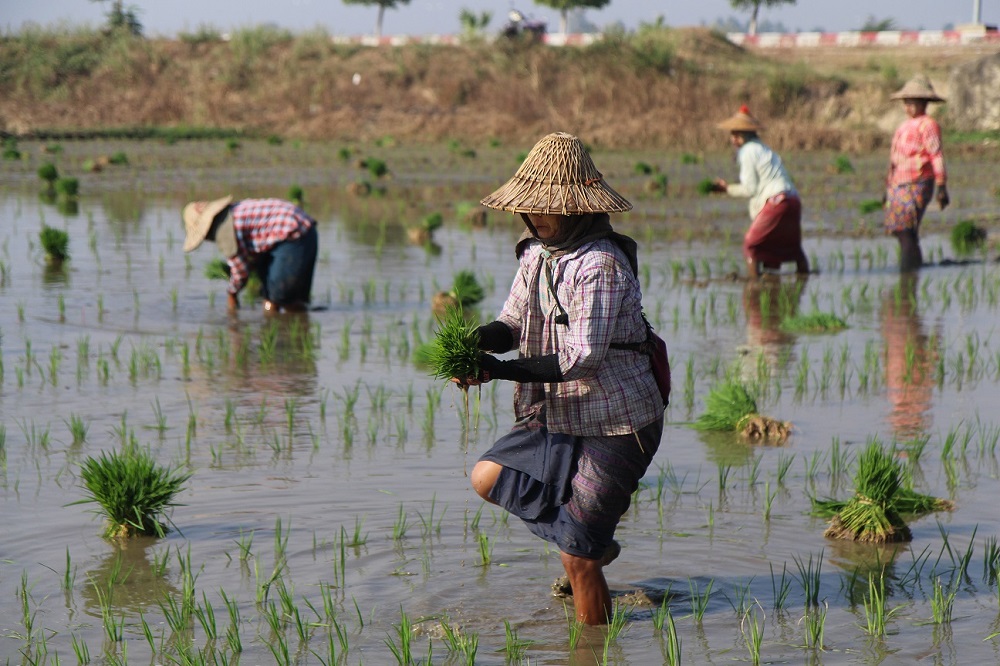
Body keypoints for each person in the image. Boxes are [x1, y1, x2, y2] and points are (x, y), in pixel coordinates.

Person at [456, 132, 665, 625]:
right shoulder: (535, 253)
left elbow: (581, 359)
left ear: (578, 208)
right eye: (530, 207)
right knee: (488, 476)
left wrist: (499, 372)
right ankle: (590, 540)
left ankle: (591, 625)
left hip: (617, 420)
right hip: (556, 411)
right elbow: (512, 322)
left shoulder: (601, 264)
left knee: (577, 560)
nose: (536, 217)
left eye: (548, 207)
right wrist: (478, 342)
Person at [710, 105, 809, 279]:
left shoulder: (747, 152)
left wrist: (726, 189)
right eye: (732, 134)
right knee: (793, 248)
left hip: (776, 202)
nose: (732, 139)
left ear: (742, 136)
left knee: (752, 245)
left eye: (735, 134)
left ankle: (753, 285)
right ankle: (803, 279)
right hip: (792, 201)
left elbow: (750, 189)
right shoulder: (763, 149)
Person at [182, 196, 318, 313]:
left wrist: (232, 293)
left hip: (294, 234)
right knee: (283, 297)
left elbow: (240, 270)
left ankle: (279, 326)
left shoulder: (225, 230)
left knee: (278, 297)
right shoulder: (231, 212)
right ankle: (301, 323)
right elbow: (252, 255)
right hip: (303, 230)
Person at [884, 74, 949, 272]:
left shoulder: (928, 125)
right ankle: (913, 270)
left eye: (913, 103)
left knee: (905, 230)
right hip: (898, 184)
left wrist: (941, 186)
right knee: (903, 230)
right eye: (906, 103)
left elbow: (936, 155)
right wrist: (887, 186)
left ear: (924, 103)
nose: (909, 107)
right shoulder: (903, 126)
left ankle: (908, 273)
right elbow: (894, 159)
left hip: (917, 182)